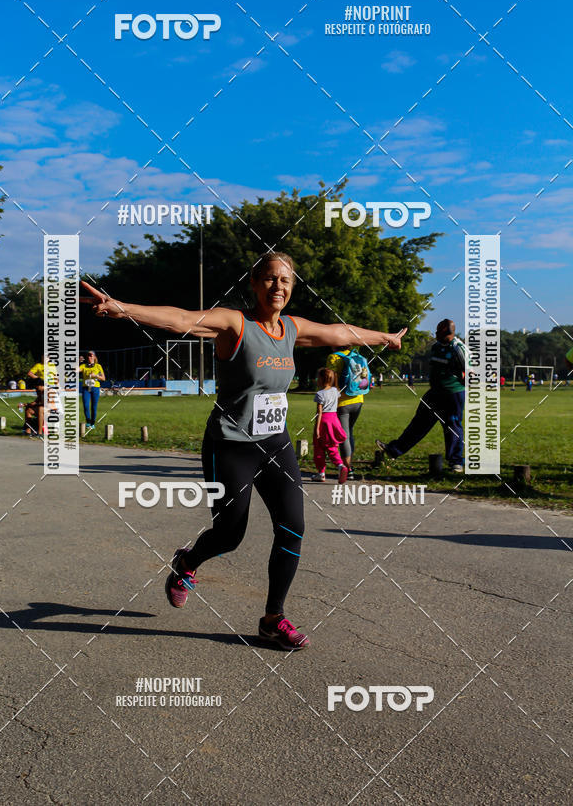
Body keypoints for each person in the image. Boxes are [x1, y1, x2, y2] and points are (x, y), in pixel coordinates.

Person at [81, 252, 406, 651]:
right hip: (230, 445)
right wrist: (121, 308)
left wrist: (384, 338)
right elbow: (181, 318)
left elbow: (338, 333)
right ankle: (187, 563)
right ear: (254, 283)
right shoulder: (234, 323)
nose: (278, 287)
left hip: (275, 443)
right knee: (230, 533)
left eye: (285, 281)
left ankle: (273, 619)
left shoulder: (291, 328)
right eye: (270, 279)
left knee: (293, 526)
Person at [376, 318, 466, 472]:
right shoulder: (436, 347)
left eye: (438, 330)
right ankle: (394, 450)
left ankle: (456, 462)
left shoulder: (458, 348)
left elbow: (470, 373)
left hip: (453, 393)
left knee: (452, 426)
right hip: (434, 393)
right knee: (419, 423)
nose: (435, 333)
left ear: (446, 331)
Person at [326, 347, 369, 481]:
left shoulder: (334, 357)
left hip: (342, 402)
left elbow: (329, 380)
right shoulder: (357, 355)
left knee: (343, 436)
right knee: (349, 432)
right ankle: (349, 465)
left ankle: (347, 468)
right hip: (359, 399)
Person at [311, 368, 348, 484]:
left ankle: (321, 473)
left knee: (319, 448)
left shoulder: (320, 394)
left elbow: (319, 413)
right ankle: (340, 466)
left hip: (324, 422)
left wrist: (317, 429)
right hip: (334, 420)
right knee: (332, 447)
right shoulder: (335, 391)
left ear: (322, 379)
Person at [78, 350, 105, 429]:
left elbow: (103, 378)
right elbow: (75, 370)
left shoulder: (98, 366)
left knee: (94, 406)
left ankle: (93, 423)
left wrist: (95, 376)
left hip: (95, 388)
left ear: (94, 357)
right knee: (86, 405)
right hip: (86, 388)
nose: (89, 357)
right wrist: (78, 362)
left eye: (91, 355)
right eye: (88, 355)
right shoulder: (83, 366)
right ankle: (88, 421)